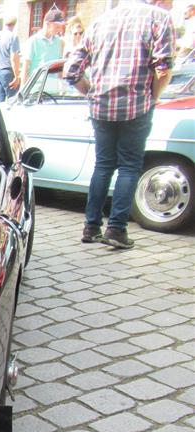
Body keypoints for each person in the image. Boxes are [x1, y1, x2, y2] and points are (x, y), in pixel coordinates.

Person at [63, 0, 175, 249]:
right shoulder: (158, 17)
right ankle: (116, 229)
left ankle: (91, 227)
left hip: (102, 107)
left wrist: (92, 93)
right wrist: (153, 97)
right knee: (129, 166)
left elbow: (71, 70)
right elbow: (163, 68)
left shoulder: (100, 22)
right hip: (136, 105)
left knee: (103, 164)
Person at [21, 7, 66, 87]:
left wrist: (61, 87)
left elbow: (60, 67)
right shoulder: (33, 41)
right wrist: (22, 89)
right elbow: (25, 68)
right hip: (36, 89)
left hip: (53, 89)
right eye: (57, 27)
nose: (60, 30)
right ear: (47, 24)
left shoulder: (59, 42)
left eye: (60, 27)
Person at [0, 16, 22, 102]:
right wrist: (17, 76)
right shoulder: (13, 37)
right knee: (14, 101)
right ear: (14, 25)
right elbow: (14, 58)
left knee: (0, 102)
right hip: (7, 72)